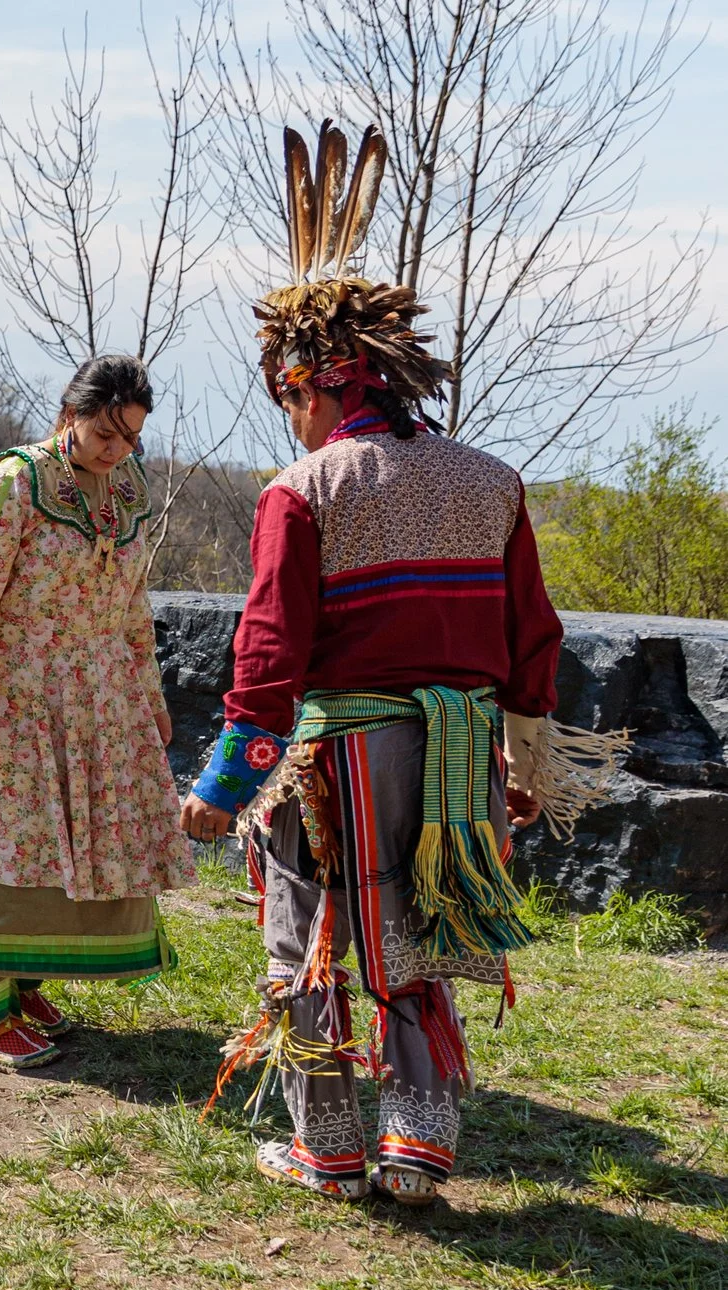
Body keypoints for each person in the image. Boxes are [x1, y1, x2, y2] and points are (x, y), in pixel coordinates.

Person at [181, 122, 620, 1206]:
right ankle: (419, 1143)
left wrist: (223, 785)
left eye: (288, 395)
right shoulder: (491, 480)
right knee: (424, 929)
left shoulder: (304, 489)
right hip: (462, 749)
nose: (288, 417)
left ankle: (328, 1148)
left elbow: (269, 658)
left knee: (309, 934)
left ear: (318, 383)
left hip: (342, 757)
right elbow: (532, 638)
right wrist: (524, 755)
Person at [0, 355, 193, 1067]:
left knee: (68, 845)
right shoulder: (10, 486)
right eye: (105, 432)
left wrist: (150, 698)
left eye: (130, 436)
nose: (117, 449)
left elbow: (131, 606)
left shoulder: (123, 491)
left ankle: (25, 980)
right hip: (12, 698)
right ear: (70, 415)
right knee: (2, 844)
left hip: (96, 699)